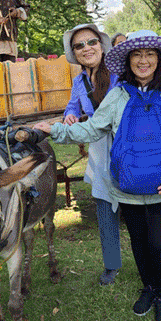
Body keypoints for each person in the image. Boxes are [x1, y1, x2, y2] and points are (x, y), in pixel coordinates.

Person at [34, 30, 161, 321]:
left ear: (159, 60)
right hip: (128, 184)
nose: (144, 61)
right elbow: (92, 128)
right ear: (129, 61)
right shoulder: (118, 95)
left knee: (160, 246)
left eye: (150, 55)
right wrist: (55, 130)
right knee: (139, 243)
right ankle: (149, 287)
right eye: (137, 55)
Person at [62, 24, 122, 285]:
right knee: (104, 205)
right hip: (98, 147)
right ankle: (112, 264)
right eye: (79, 45)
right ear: (74, 53)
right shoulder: (79, 81)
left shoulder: (120, 73)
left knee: (138, 205)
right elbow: (72, 106)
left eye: (92, 42)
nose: (86, 48)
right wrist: (70, 116)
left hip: (125, 143)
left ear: (101, 45)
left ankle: (159, 259)